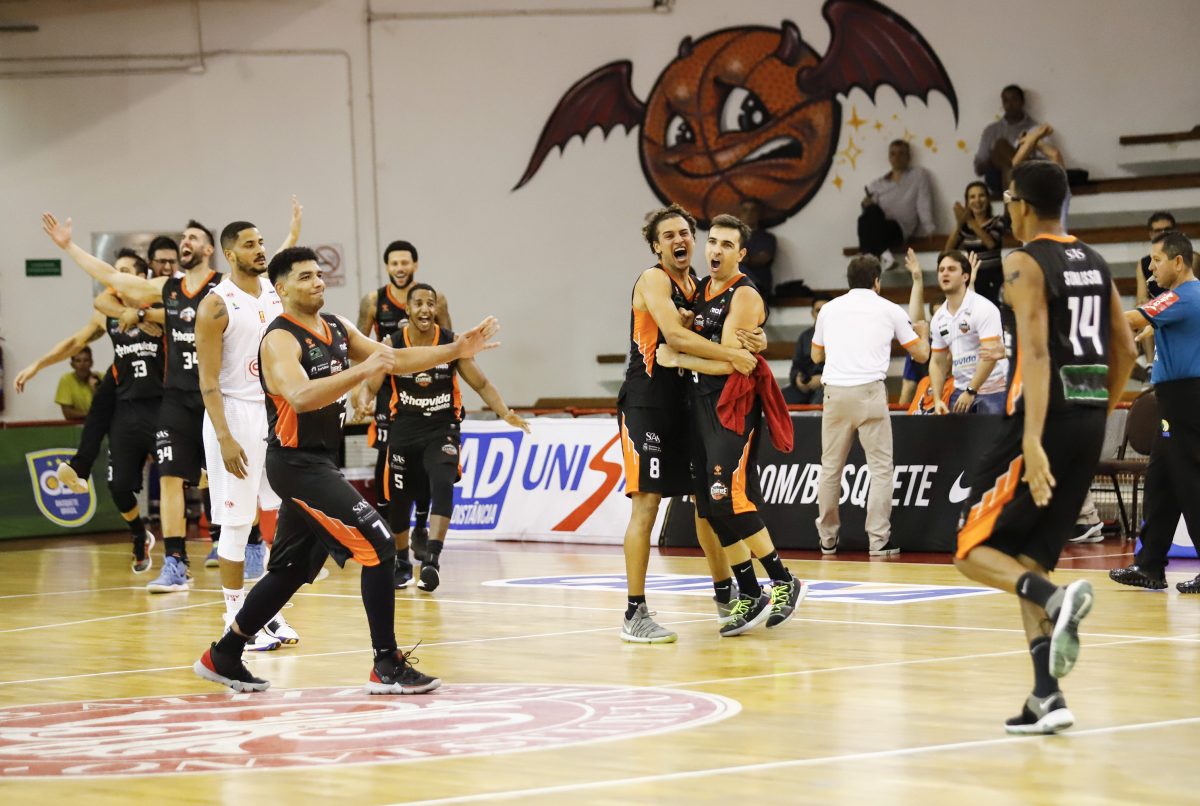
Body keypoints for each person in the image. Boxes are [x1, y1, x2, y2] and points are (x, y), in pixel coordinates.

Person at [192, 246, 499, 693]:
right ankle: (386, 664)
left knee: (289, 570)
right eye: (305, 277)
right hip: (295, 464)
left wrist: (455, 349)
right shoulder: (280, 339)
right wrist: (363, 371)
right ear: (281, 290)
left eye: (319, 274)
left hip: (318, 461)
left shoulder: (336, 326)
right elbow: (300, 397)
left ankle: (223, 654)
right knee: (380, 545)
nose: (318, 281)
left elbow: (393, 359)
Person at [953, 160, 1135, 735]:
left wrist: (1032, 439)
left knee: (969, 547)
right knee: (1026, 557)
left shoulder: (1023, 260)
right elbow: (1126, 350)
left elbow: (1034, 352)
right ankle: (1046, 697)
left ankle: (1055, 600)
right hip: (1087, 418)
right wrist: (1095, 416)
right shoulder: (1096, 260)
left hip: (1040, 419)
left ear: (1023, 206)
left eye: (1008, 200)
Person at [615, 203, 761, 644]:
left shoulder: (697, 286)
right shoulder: (653, 279)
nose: (679, 240)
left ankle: (726, 594)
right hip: (647, 405)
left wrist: (756, 336)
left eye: (684, 233)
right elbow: (676, 338)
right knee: (647, 505)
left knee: (705, 505)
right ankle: (634, 612)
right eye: (669, 235)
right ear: (656, 247)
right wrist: (733, 355)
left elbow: (722, 325)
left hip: (686, 405)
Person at [656, 214, 808, 635]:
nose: (716, 250)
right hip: (698, 407)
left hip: (731, 407)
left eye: (726, 244)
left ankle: (783, 580)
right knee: (708, 507)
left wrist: (680, 356)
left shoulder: (744, 295)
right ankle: (750, 591)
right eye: (713, 242)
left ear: (741, 254)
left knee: (729, 500)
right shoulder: (702, 290)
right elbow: (712, 345)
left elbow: (730, 362)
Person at [369, 283, 529, 591]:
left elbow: (481, 384)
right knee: (399, 500)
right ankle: (402, 562)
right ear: (407, 309)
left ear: (437, 309)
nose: (425, 309)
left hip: (442, 428)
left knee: (442, 483)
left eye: (430, 303)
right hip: (404, 428)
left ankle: (432, 560)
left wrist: (504, 412)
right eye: (419, 303)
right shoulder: (392, 344)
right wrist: (362, 399)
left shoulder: (452, 343)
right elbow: (371, 383)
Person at [196, 217, 304, 652]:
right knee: (237, 523)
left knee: (277, 516)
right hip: (234, 415)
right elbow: (207, 381)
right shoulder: (215, 305)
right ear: (229, 253)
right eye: (249, 244)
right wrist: (224, 437)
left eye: (261, 242)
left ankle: (266, 609)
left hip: (273, 413)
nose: (259, 249)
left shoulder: (274, 294)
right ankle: (235, 618)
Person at [812, 254, 930, 556]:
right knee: (880, 470)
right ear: (877, 281)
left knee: (830, 468)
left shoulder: (828, 309)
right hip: (869, 394)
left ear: (849, 280)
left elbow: (815, 356)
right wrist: (924, 334)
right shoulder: (890, 309)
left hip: (835, 393)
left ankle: (827, 539)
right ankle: (878, 541)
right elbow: (921, 355)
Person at [1109, 232, 1200, 593]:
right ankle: (1149, 566)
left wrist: (1089, 310)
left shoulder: (1184, 295)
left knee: (1191, 481)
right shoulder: (1178, 299)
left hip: (1186, 400)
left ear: (1178, 262)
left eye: (1157, 260)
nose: (1151, 268)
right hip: (1173, 399)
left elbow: (1131, 318)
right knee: (1161, 481)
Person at [355, 240, 449, 558]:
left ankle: (420, 526)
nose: (400, 268)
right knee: (388, 458)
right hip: (389, 387)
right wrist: (360, 387)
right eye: (394, 263)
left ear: (415, 265)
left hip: (426, 390)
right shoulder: (374, 301)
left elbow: (449, 345)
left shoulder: (434, 299)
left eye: (405, 262)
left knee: (422, 461)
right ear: (387, 267)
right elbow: (357, 346)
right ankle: (387, 528)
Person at [927, 250, 1010, 414]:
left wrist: (971, 390)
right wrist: (937, 399)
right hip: (960, 391)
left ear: (965, 276)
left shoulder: (984, 308)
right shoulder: (938, 318)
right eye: (941, 270)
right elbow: (937, 362)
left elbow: (990, 355)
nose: (945, 273)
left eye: (951, 269)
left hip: (993, 391)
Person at [857, 140, 935, 267]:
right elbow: (868, 217)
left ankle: (868, 260)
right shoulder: (877, 184)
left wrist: (929, 228)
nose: (897, 157)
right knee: (867, 215)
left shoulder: (918, 175)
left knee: (867, 219)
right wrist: (865, 204)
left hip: (900, 229)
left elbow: (923, 203)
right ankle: (883, 255)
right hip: (880, 227)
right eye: (893, 154)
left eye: (901, 153)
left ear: (908, 157)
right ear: (889, 158)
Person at [945, 181, 1006, 306]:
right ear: (967, 202)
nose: (977, 200)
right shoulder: (966, 227)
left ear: (988, 199)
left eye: (981, 195)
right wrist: (960, 222)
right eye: (972, 197)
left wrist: (969, 220)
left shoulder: (997, 221)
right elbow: (948, 251)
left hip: (994, 279)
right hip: (973, 278)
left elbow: (990, 243)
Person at [973, 84, 1041, 194]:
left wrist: (1010, 159)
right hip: (997, 179)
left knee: (1005, 157)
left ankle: (1009, 200)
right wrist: (995, 158)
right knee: (1001, 146)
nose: (1010, 104)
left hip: (1029, 177)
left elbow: (1045, 164)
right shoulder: (991, 130)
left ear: (1022, 101)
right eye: (1005, 100)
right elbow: (978, 169)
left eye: (1014, 99)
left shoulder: (1035, 129)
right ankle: (1013, 191)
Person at [1134, 212, 1176, 367]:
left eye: (1167, 229)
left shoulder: (1191, 258)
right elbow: (1141, 297)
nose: (1163, 234)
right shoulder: (1144, 263)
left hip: (1183, 308)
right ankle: (1150, 366)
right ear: (1151, 234)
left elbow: (1184, 294)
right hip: (1159, 311)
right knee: (1144, 309)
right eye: (1158, 231)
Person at [784, 296, 826, 405]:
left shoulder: (841, 336)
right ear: (812, 313)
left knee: (817, 403)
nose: (821, 314)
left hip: (828, 386)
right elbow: (796, 366)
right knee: (776, 401)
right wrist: (798, 379)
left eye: (825, 310)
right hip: (805, 386)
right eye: (818, 310)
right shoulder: (805, 337)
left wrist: (822, 379)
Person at [737, 200, 776, 300]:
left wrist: (743, 258)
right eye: (745, 210)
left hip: (760, 288)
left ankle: (753, 284)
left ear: (759, 214)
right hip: (737, 290)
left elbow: (763, 258)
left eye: (753, 210)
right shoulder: (733, 237)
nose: (749, 214)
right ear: (739, 214)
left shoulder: (767, 238)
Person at [54, 345, 100, 419]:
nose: (82, 365)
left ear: (91, 363)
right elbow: (68, 413)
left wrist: (96, 389)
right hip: (78, 425)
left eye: (86, 360)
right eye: (78, 361)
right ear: (72, 365)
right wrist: (92, 414)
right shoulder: (66, 380)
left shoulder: (102, 378)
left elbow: (109, 407)